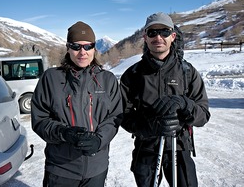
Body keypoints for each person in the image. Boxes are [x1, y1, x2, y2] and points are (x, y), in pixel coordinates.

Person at [120, 12, 211, 187]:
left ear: (173, 36)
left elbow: (203, 115)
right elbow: (122, 114)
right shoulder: (133, 74)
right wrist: (147, 126)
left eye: (164, 32)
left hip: (179, 146)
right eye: (152, 33)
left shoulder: (187, 72)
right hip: (146, 147)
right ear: (145, 37)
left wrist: (185, 104)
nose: (158, 37)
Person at [31, 21, 122, 187]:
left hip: (96, 169)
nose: (82, 52)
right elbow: (40, 119)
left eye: (88, 46)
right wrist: (63, 132)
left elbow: (115, 116)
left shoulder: (107, 80)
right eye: (76, 46)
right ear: (68, 48)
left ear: (94, 48)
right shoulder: (51, 78)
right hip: (61, 169)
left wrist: (99, 140)